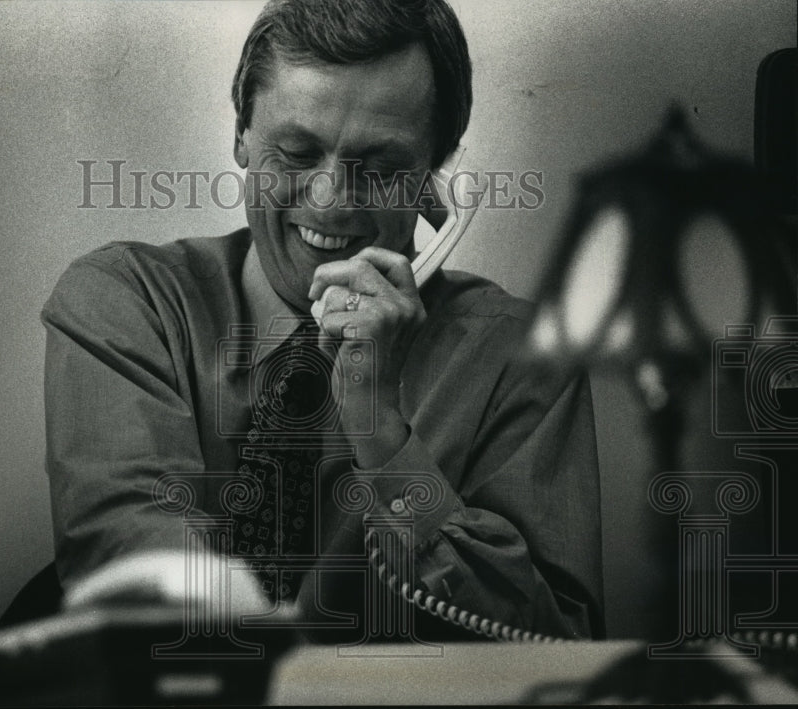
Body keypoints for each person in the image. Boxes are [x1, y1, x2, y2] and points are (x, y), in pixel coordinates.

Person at [42, 0, 605, 641]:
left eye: (383, 168)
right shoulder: (126, 303)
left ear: (435, 176)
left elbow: (557, 642)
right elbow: (128, 547)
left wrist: (386, 440)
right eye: (296, 152)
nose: (331, 201)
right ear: (241, 138)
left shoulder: (524, 356)